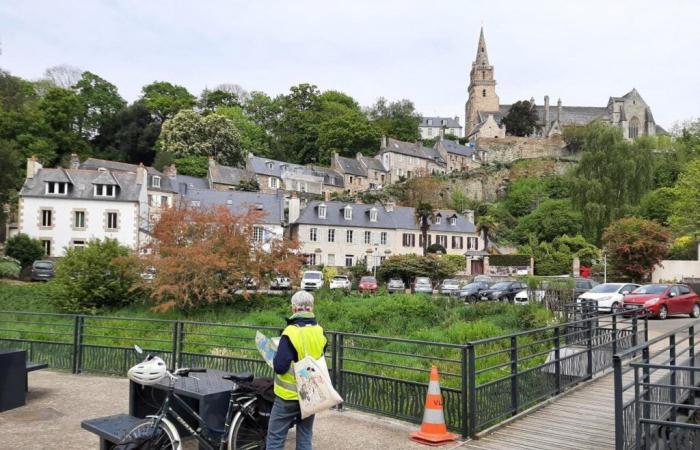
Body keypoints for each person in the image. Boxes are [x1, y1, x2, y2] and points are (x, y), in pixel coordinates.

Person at [266, 291, 327, 450]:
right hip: (310, 393)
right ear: (311, 308)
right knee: (305, 434)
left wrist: (274, 355)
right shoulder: (319, 331)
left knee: (275, 437)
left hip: (288, 396)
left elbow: (280, 367)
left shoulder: (290, 332)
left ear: (294, 309)